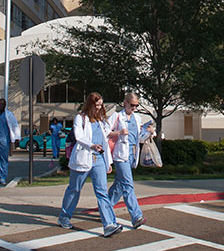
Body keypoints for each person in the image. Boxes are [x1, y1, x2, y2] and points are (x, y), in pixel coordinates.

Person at [57, 92, 123, 238]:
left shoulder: (100, 120)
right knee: (74, 189)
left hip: (98, 159)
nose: (99, 108)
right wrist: (91, 145)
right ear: (90, 104)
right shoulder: (80, 118)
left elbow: (105, 139)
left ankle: (109, 224)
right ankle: (64, 217)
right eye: (97, 105)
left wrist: (108, 162)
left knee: (102, 192)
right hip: (83, 158)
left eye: (100, 105)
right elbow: (79, 136)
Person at [107, 92, 155, 228]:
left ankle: (106, 208)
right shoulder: (116, 116)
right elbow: (105, 131)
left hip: (132, 154)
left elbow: (139, 138)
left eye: (136, 105)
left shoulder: (137, 118)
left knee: (119, 185)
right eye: (132, 105)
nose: (134, 108)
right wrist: (119, 133)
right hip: (120, 155)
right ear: (125, 103)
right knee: (128, 184)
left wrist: (149, 132)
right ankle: (136, 216)